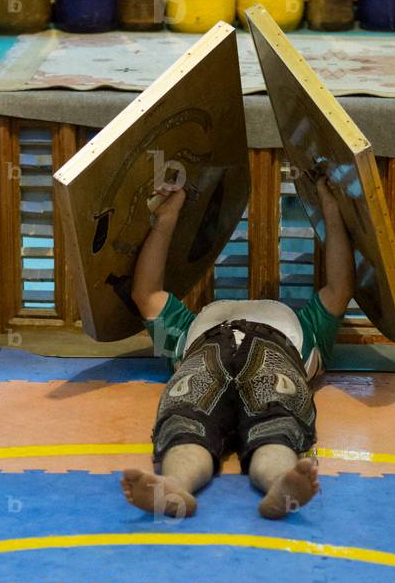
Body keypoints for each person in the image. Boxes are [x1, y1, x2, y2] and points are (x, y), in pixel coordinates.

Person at [121, 176, 354, 520]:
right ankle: (173, 484)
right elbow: (147, 294)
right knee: (189, 423)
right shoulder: (187, 328)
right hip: (210, 353)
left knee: (273, 424)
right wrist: (167, 217)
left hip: (266, 353)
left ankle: (281, 483)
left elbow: (340, 287)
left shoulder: (308, 327)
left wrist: (332, 210)